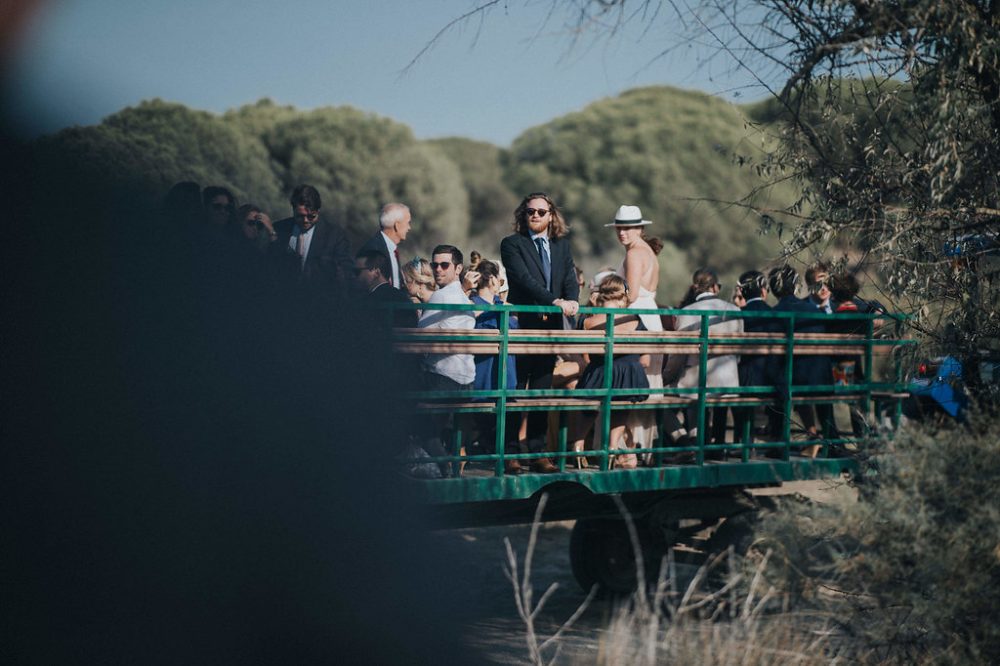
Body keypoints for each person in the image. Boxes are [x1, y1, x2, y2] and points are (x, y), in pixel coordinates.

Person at [500, 192, 580, 473]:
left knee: (542, 390)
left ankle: (537, 452)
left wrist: (572, 300)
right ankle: (509, 453)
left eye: (541, 212)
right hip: (522, 325)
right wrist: (554, 301)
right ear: (524, 214)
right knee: (514, 389)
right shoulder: (512, 244)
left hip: (550, 329)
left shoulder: (561, 246)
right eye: (530, 211)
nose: (535, 215)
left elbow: (569, 279)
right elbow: (524, 280)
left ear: (551, 216)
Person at [663, 268, 744, 459]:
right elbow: (739, 350)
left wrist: (667, 375)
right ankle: (697, 441)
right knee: (693, 396)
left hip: (697, 380)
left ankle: (684, 441)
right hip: (728, 381)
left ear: (694, 288)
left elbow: (679, 354)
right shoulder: (734, 310)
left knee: (659, 402)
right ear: (716, 287)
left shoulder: (687, 312)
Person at [608, 205, 665, 457]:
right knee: (644, 381)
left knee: (630, 381)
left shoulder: (634, 254)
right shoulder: (647, 251)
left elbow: (628, 296)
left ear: (640, 229)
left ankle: (628, 449)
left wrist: (603, 300)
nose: (622, 232)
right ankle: (637, 448)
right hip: (650, 316)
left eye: (628, 228)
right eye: (620, 227)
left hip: (636, 319)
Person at [577, 274, 650, 469]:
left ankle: (577, 444)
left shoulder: (588, 321)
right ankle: (611, 449)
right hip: (628, 377)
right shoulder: (634, 319)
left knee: (590, 404)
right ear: (623, 297)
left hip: (597, 375)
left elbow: (579, 351)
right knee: (621, 403)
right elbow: (646, 359)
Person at [417, 245, 476, 477]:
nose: (438, 270)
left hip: (444, 378)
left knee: (411, 415)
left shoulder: (441, 296)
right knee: (434, 422)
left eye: (444, 265)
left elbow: (419, 336)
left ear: (458, 268)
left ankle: (443, 464)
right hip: (466, 380)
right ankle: (446, 464)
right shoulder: (463, 296)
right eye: (434, 265)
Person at [470, 259, 521, 473]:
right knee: (488, 413)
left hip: (503, 373)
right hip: (485, 373)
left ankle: (506, 454)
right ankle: (491, 450)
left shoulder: (504, 307)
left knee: (508, 410)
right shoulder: (472, 304)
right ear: (492, 279)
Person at [271, 184, 354, 305]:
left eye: (311, 216)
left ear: (318, 211)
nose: (305, 220)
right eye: (300, 216)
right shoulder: (280, 229)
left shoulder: (334, 235)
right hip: (284, 302)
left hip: (320, 305)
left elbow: (346, 272)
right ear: (293, 210)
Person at [732, 270, 779, 450]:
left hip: (744, 376)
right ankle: (776, 444)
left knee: (742, 409)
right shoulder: (775, 314)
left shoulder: (739, 314)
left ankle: (743, 443)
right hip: (772, 375)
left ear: (742, 292)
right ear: (763, 291)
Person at [354, 249, 417, 328]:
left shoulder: (367, 302)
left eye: (357, 272)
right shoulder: (404, 298)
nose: (353, 276)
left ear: (376, 272)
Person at [358, 203, 411, 289]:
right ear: (397, 225)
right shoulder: (372, 250)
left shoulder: (392, 250)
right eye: (408, 223)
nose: (409, 228)